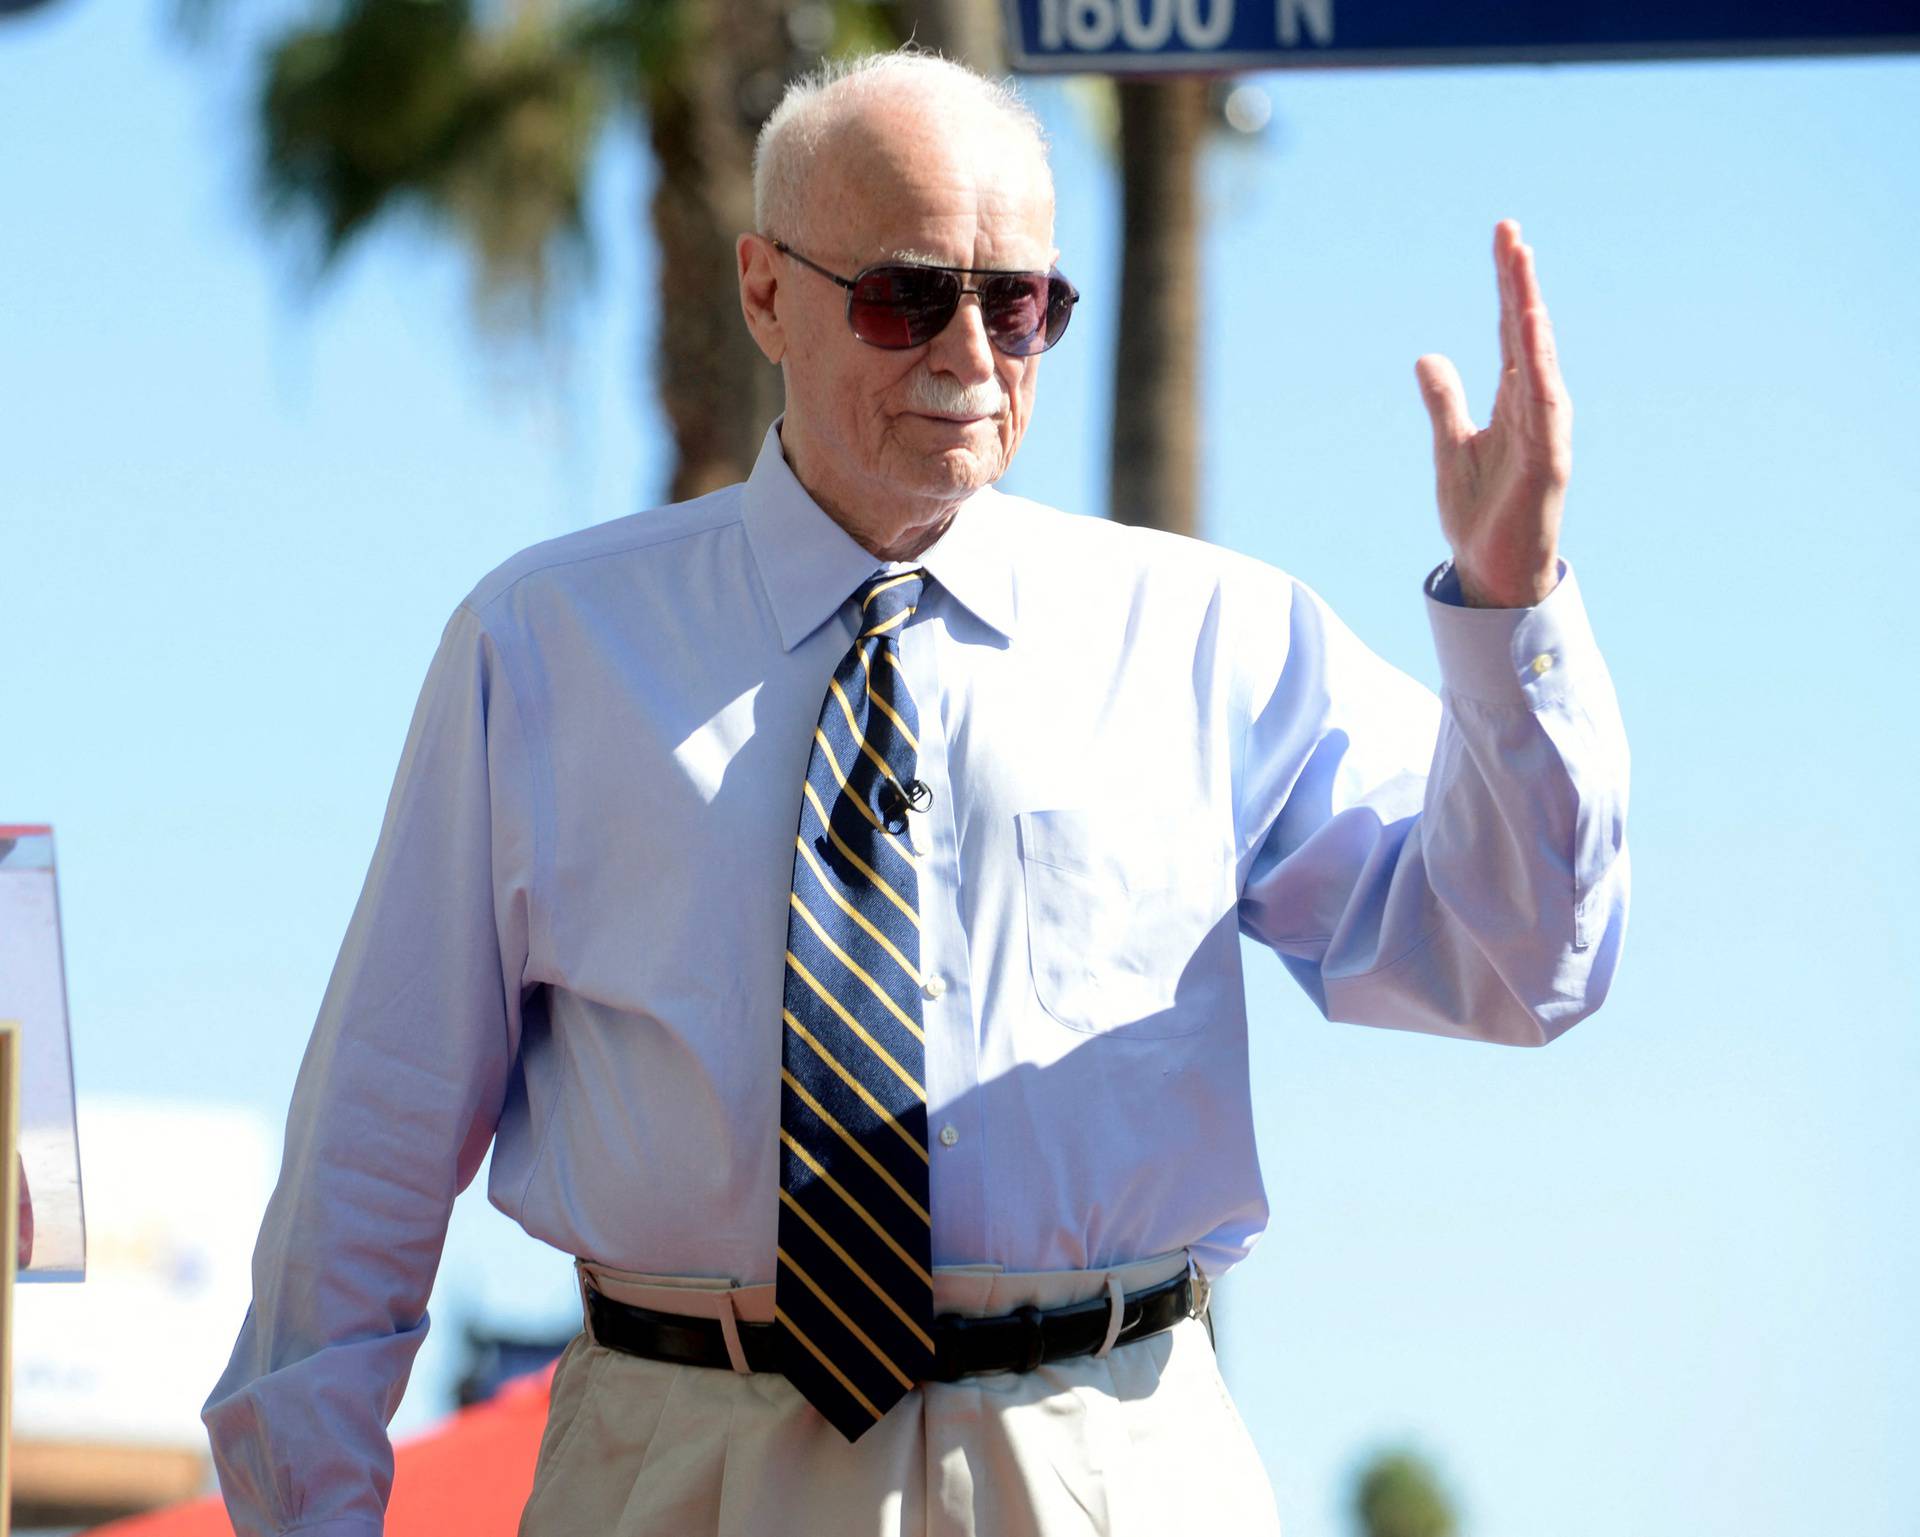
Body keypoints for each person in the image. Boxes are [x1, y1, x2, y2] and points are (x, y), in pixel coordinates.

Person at [203, 49, 1628, 1537]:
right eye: (904, 294)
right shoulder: (546, 650)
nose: (966, 352)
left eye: (1016, 303)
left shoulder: (1217, 637)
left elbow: (1520, 961)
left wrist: (1508, 603)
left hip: (1109, 1470)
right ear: (762, 292)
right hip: (680, 1467)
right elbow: (369, 1147)